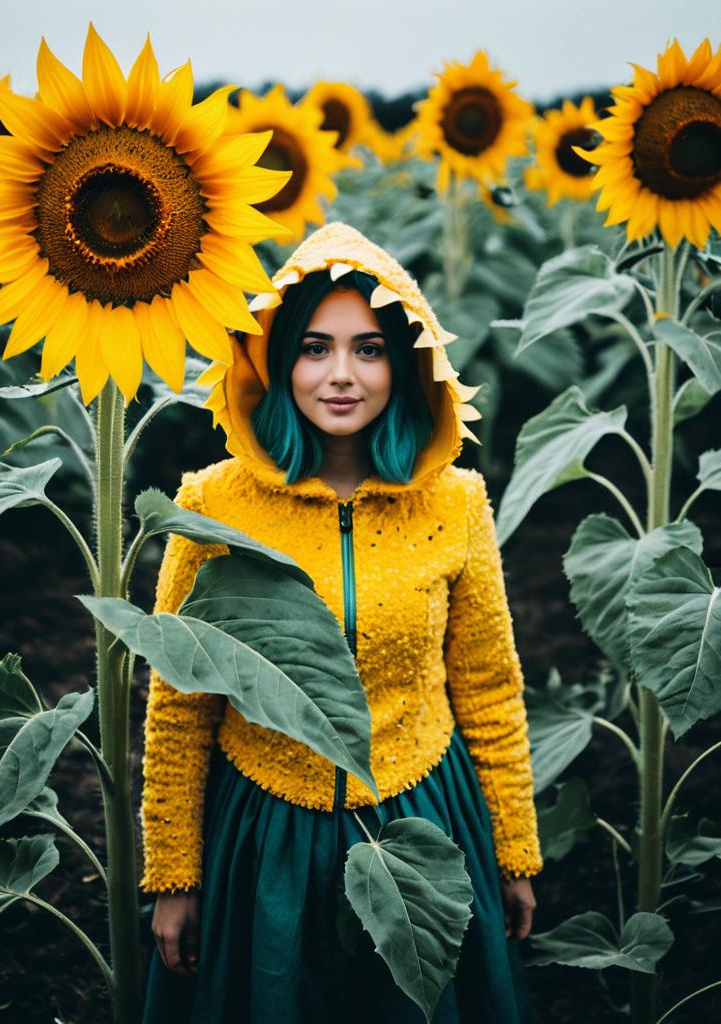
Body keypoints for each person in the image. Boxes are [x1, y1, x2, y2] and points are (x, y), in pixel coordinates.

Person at [140, 222, 542, 1024]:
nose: (340, 375)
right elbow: (180, 703)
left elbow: (489, 686)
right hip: (265, 834)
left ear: (408, 360)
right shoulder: (214, 505)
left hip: (424, 813)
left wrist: (513, 851)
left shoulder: (456, 503)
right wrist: (175, 877)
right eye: (315, 348)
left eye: (369, 350)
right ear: (278, 358)